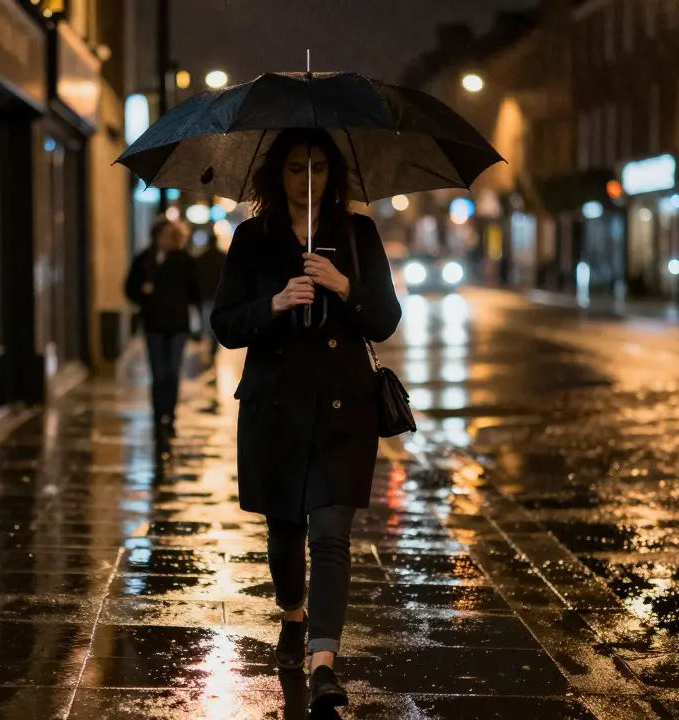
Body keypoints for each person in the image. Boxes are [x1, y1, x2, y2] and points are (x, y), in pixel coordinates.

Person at [210, 128, 401, 711]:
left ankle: (323, 663)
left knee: (331, 535)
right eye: (296, 167)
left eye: (318, 166)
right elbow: (225, 324)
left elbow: (386, 318)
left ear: (333, 174)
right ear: (279, 174)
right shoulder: (252, 238)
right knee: (286, 533)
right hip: (275, 412)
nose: (308, 177)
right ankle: (292, 617)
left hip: (346, 411)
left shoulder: (356, 232)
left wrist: (344, 286)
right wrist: (273, 303)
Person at [125, 219, 200, 441]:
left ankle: (170, 416)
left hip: (178, 325)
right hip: (154, 324)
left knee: (172, 372)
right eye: (164, 235)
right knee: (158, 374)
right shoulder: (145, 259)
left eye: (172, 235)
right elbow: (130, 288)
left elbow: (195, 291)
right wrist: (143, 292)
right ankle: (158, 417)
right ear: (156, 236)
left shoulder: (185, 260)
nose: (168, 239)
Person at [194, 231, 227, 366]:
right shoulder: (223, 257)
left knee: (206, 326)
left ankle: (208, 352)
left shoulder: (201, 259)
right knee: (215, 327)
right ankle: (212, 352)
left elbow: (196, 279)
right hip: (219, 297)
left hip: (206, 296)